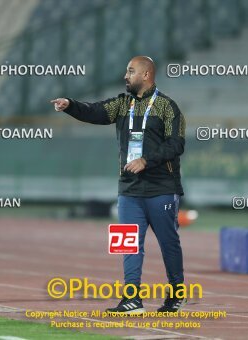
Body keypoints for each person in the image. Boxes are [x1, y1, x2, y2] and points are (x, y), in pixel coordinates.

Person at [51, 56, 186, 314]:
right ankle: (132, 298)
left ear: (146, 75)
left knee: (169, 244)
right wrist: (70, 105)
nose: (125, 76)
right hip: (129, 190)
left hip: (162, 189)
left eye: (131, 71)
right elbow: (95, 111)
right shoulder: (123, 104)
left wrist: (147, 160)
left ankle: (176, 294)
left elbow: (176, 144)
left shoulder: (168, 107)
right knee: (128, 245)